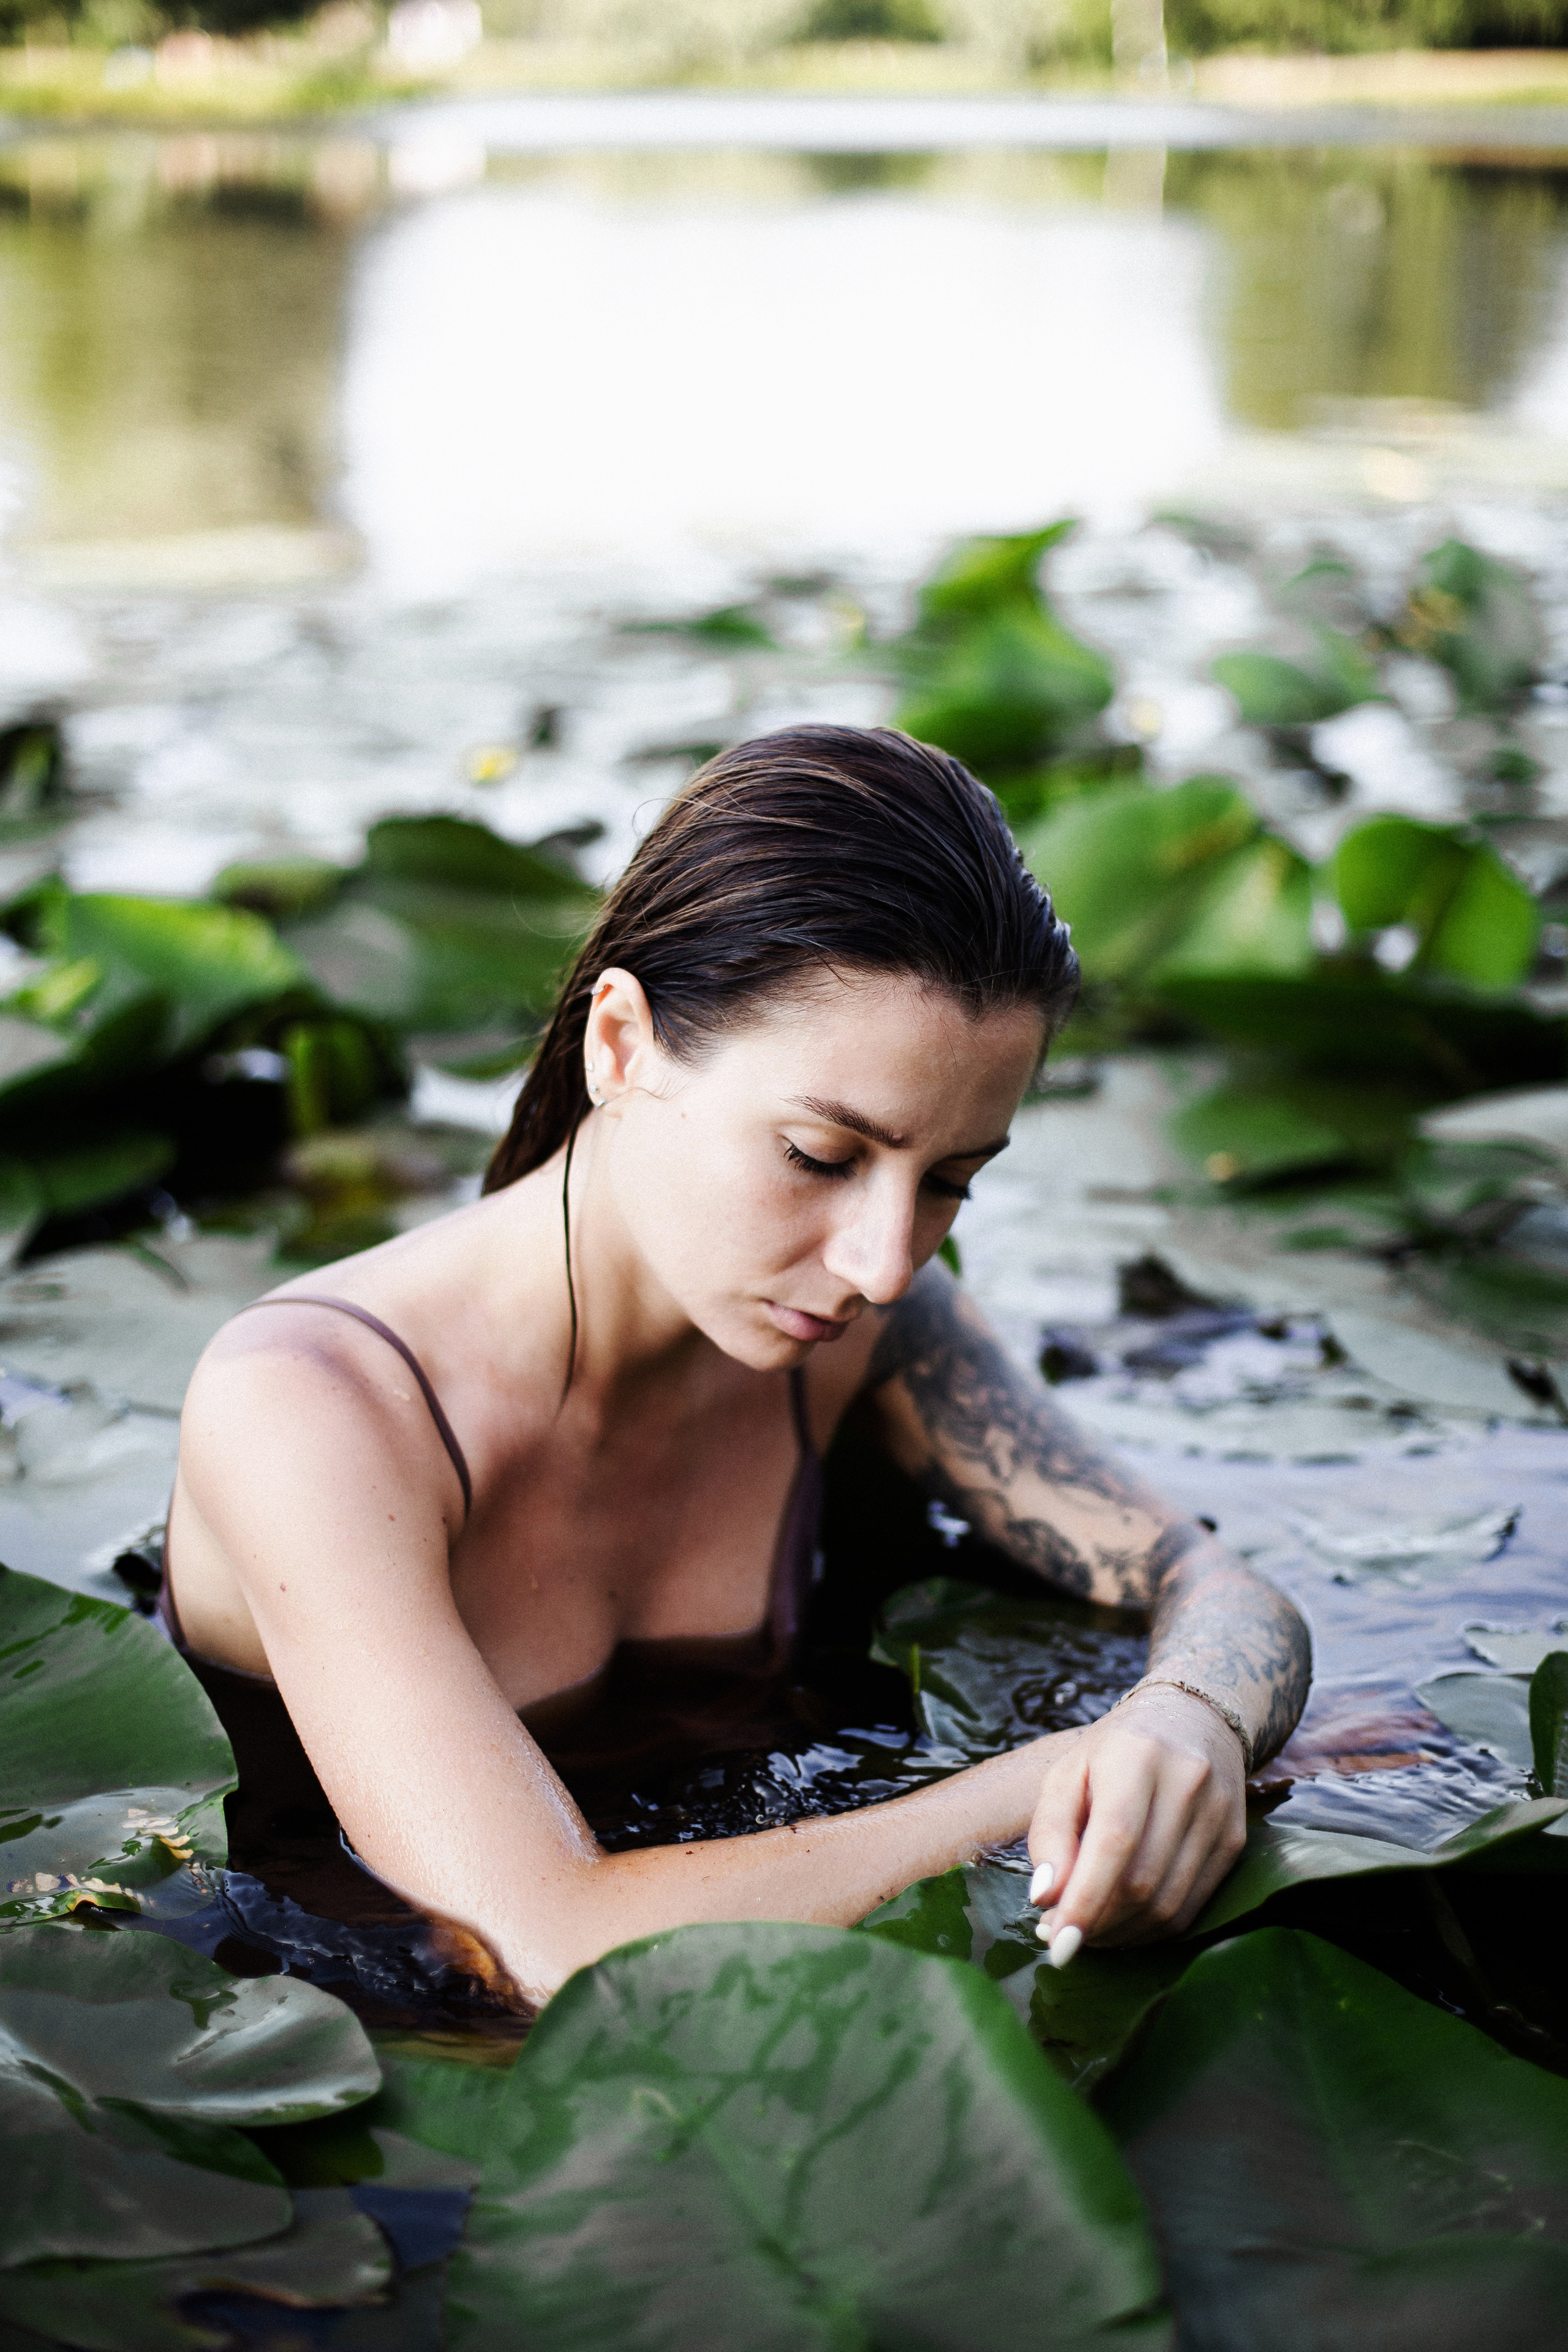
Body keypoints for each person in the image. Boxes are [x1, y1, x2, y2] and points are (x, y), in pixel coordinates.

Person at [166, 725, 1311, 2009]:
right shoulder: (313, 1408)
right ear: (620, 1044)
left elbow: (1201, 1578)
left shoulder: (873, 1331)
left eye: (949, 1180)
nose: (885, 1263)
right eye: (821, 1157)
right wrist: (1064, 1774)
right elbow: (546, 1947)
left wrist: (1189, 1721)